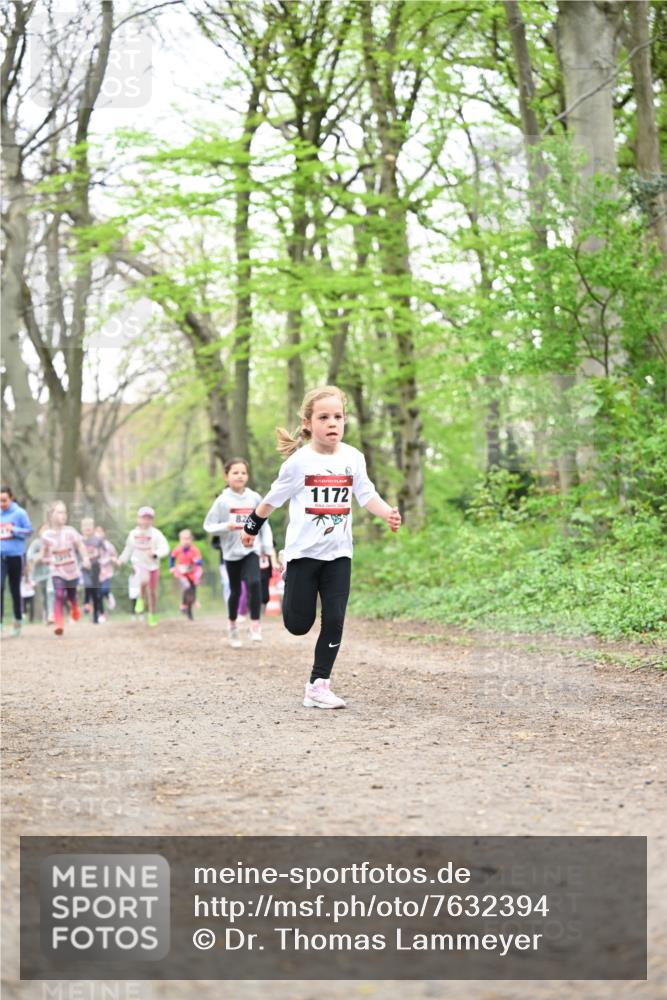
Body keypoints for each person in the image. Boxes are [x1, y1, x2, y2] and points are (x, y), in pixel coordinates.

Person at [240, 385, 401, 709]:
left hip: (339, 553)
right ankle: (289, 577)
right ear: (308, 423)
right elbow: (272, 500)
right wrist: (251, 528)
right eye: (324, 417)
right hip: (303, 553)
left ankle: (318, 684)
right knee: (298, 625)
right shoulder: (298, 464)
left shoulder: (353, 458)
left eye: (338, 416)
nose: (332, 423)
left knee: (335, 617)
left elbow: (366, 494)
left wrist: (388, 513)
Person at [204, 457, 273, 648]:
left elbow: (264, 524)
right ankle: (232, 626)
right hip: (230, 553)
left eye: (243, 472)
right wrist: (227, 526)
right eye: (235, 472)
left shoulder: (255, 498)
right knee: (235, 591)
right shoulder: (222, 501)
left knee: (254, 582)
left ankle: (255, 625)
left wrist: (267, 548)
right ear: (226, 476)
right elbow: (208, 526)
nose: (240, 476)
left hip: (251, 549)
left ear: (247, 476)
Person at [40, 501, 90, 636]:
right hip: (57, 571)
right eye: (60, 512)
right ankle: (59, 624)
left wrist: (85, 558)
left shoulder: (70, 531)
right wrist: (41, 558)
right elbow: (43, 551)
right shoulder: (46, 535)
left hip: (72, 571)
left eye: (65, 512)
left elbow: (80, 546)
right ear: (51, 515)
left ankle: (74, 607)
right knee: (59, 594)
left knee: (72, 595)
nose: (64, 515)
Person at [118, 506, 169, 627]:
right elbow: (128, 548)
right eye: (143, 518)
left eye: (149, 518)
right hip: (138, 563)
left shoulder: (156, 534)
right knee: (143, 578)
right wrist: (122, 559)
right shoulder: (133, 534)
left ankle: (152, 614)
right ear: (138, 519)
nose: (146, 521)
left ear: (152, 520)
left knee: (152, 592)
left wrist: (155, 554)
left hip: (153, 565)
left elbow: (165, 548)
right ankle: (140, 599)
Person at [0, 486, 33, 638]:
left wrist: (14, 530)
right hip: (1, 556)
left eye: (4, 500)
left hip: (15, 556)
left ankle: (18, 621)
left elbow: (29, 531)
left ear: (11, 498)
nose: (2, 504)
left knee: (14, 589)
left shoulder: (20, 513)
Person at [169, 529, 203, 620]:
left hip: (191, 573)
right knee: (186, 586)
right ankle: (188, 603)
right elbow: (172, 558)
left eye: (188, 539)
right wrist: (171, 567)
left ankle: (189, 611)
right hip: (181, 573)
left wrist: (197, 562)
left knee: (192, 590)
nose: (186, 541)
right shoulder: (178, 549)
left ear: (191, 539)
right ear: (180, 539)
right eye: (184, 539)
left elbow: (199, 562)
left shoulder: (194, 550)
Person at [27, 526, 55, 624]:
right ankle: (46, 614)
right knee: (44, 595)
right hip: (39, 574)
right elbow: (30, 558)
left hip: (52, 571)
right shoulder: (36, 544)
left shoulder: (54, 542)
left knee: (50, 591)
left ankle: (51, 614)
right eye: (43, 530)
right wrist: (41, 554)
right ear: (39, 532)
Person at [80, 517, 105, 624]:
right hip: (84, 567)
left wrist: (101, 558)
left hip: (96, 567)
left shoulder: (98, 539)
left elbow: (104, 550)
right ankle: (86, 603)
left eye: (89, 526)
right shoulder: (79, 540)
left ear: (93, 527)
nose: (87, 528)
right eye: (85, 526)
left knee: (96, 592)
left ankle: (95, 616)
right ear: (81, 528)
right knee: (88, 584)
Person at [95, 525, 118, 620]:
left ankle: (108, 595)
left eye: (100, 532)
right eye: (97, 532)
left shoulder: (108, 545)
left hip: (107, 572)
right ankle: (102, 614)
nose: (98, 534)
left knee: (104, 590)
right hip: (96, 573)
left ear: (104, 533)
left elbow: (114, 555)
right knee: (98, 594)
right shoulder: (93, 545)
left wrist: (114, 560)